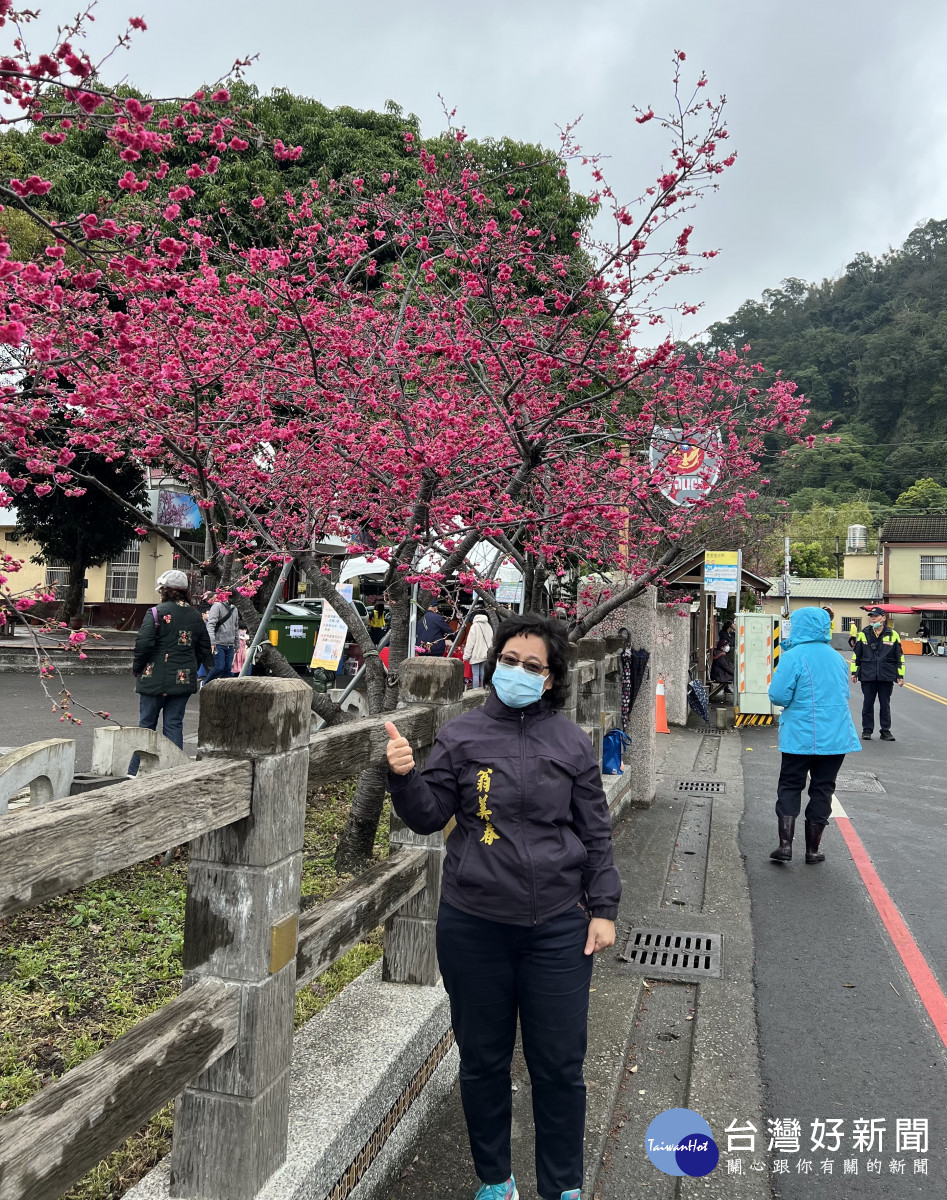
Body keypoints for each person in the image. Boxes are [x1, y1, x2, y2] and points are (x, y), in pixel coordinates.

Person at [386, 612, 619, 1200]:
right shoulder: (461, 735)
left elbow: (595, 832)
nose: (517, 671)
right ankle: (495, 1180)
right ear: (496, 666)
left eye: (532, 666)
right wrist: (406, 777)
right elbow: (427, 815)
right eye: (509, 661)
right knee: (483, 1063)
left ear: (550, 679)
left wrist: (604, 908)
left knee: (560, 1067)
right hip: (474, 926)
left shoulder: (569, 742)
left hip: (558, 928)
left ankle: (562, 1187)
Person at [768, 606, 860, 865]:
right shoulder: (837, 658)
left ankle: (785, 845)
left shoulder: (793, 656)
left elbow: (778, 695)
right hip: (835, 735)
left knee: (790, 784)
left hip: (800, 734)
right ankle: (813, 850)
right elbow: (843, 694)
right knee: (823, 789)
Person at [130, 570, 212, 774]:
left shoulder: (156, 613)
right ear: (185, 591)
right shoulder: (195, 616)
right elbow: (204, 648)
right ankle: (175, 771)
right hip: (182, 679)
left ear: (164, 591)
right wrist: (194, 668)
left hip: (153, 678)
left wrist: (137, 668)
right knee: (174, 724)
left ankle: (134, 772)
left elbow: (144, 644)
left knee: (146, 725)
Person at [850, 606, 904, 741]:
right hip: (868, 674)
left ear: (883, 617)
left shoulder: (893, 634)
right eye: (871, 616)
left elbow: (899, 657)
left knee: (885, 704)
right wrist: (854, 672)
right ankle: (867, 730)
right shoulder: (864, 633)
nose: (872, 618)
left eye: (875, 616)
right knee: (868, 703)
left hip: (886, 675)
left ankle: (885, 731)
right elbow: (857, 654)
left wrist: (900, 676)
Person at [203, 590, 240, 683]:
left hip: (230, 644)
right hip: (218, 643)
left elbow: (236, 627)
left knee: (227, 669)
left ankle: (223, 690)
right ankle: (205, 684)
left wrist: (237, 644)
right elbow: (210, 625)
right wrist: (212, 642)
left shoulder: (234, 609)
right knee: (219, 667)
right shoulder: (217, 606)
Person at [463, 605, 494, 688]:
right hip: (485, 654)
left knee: (475, 674)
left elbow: (470, 643)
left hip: (476, 654)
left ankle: (475, 692)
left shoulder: (475, 626)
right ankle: (483, 690)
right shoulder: (488, 626)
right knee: (483, 673)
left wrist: (466, 656)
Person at [709, 619, 735, 692]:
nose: (734, 625)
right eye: (733, 624)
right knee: (729, 669)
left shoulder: (732, 634)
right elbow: (725, 666)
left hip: (729, 654)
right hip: (720, 675)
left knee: (729, 667)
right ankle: (727, 688)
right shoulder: (723, 634)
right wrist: (733, 672)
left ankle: (727, 688)